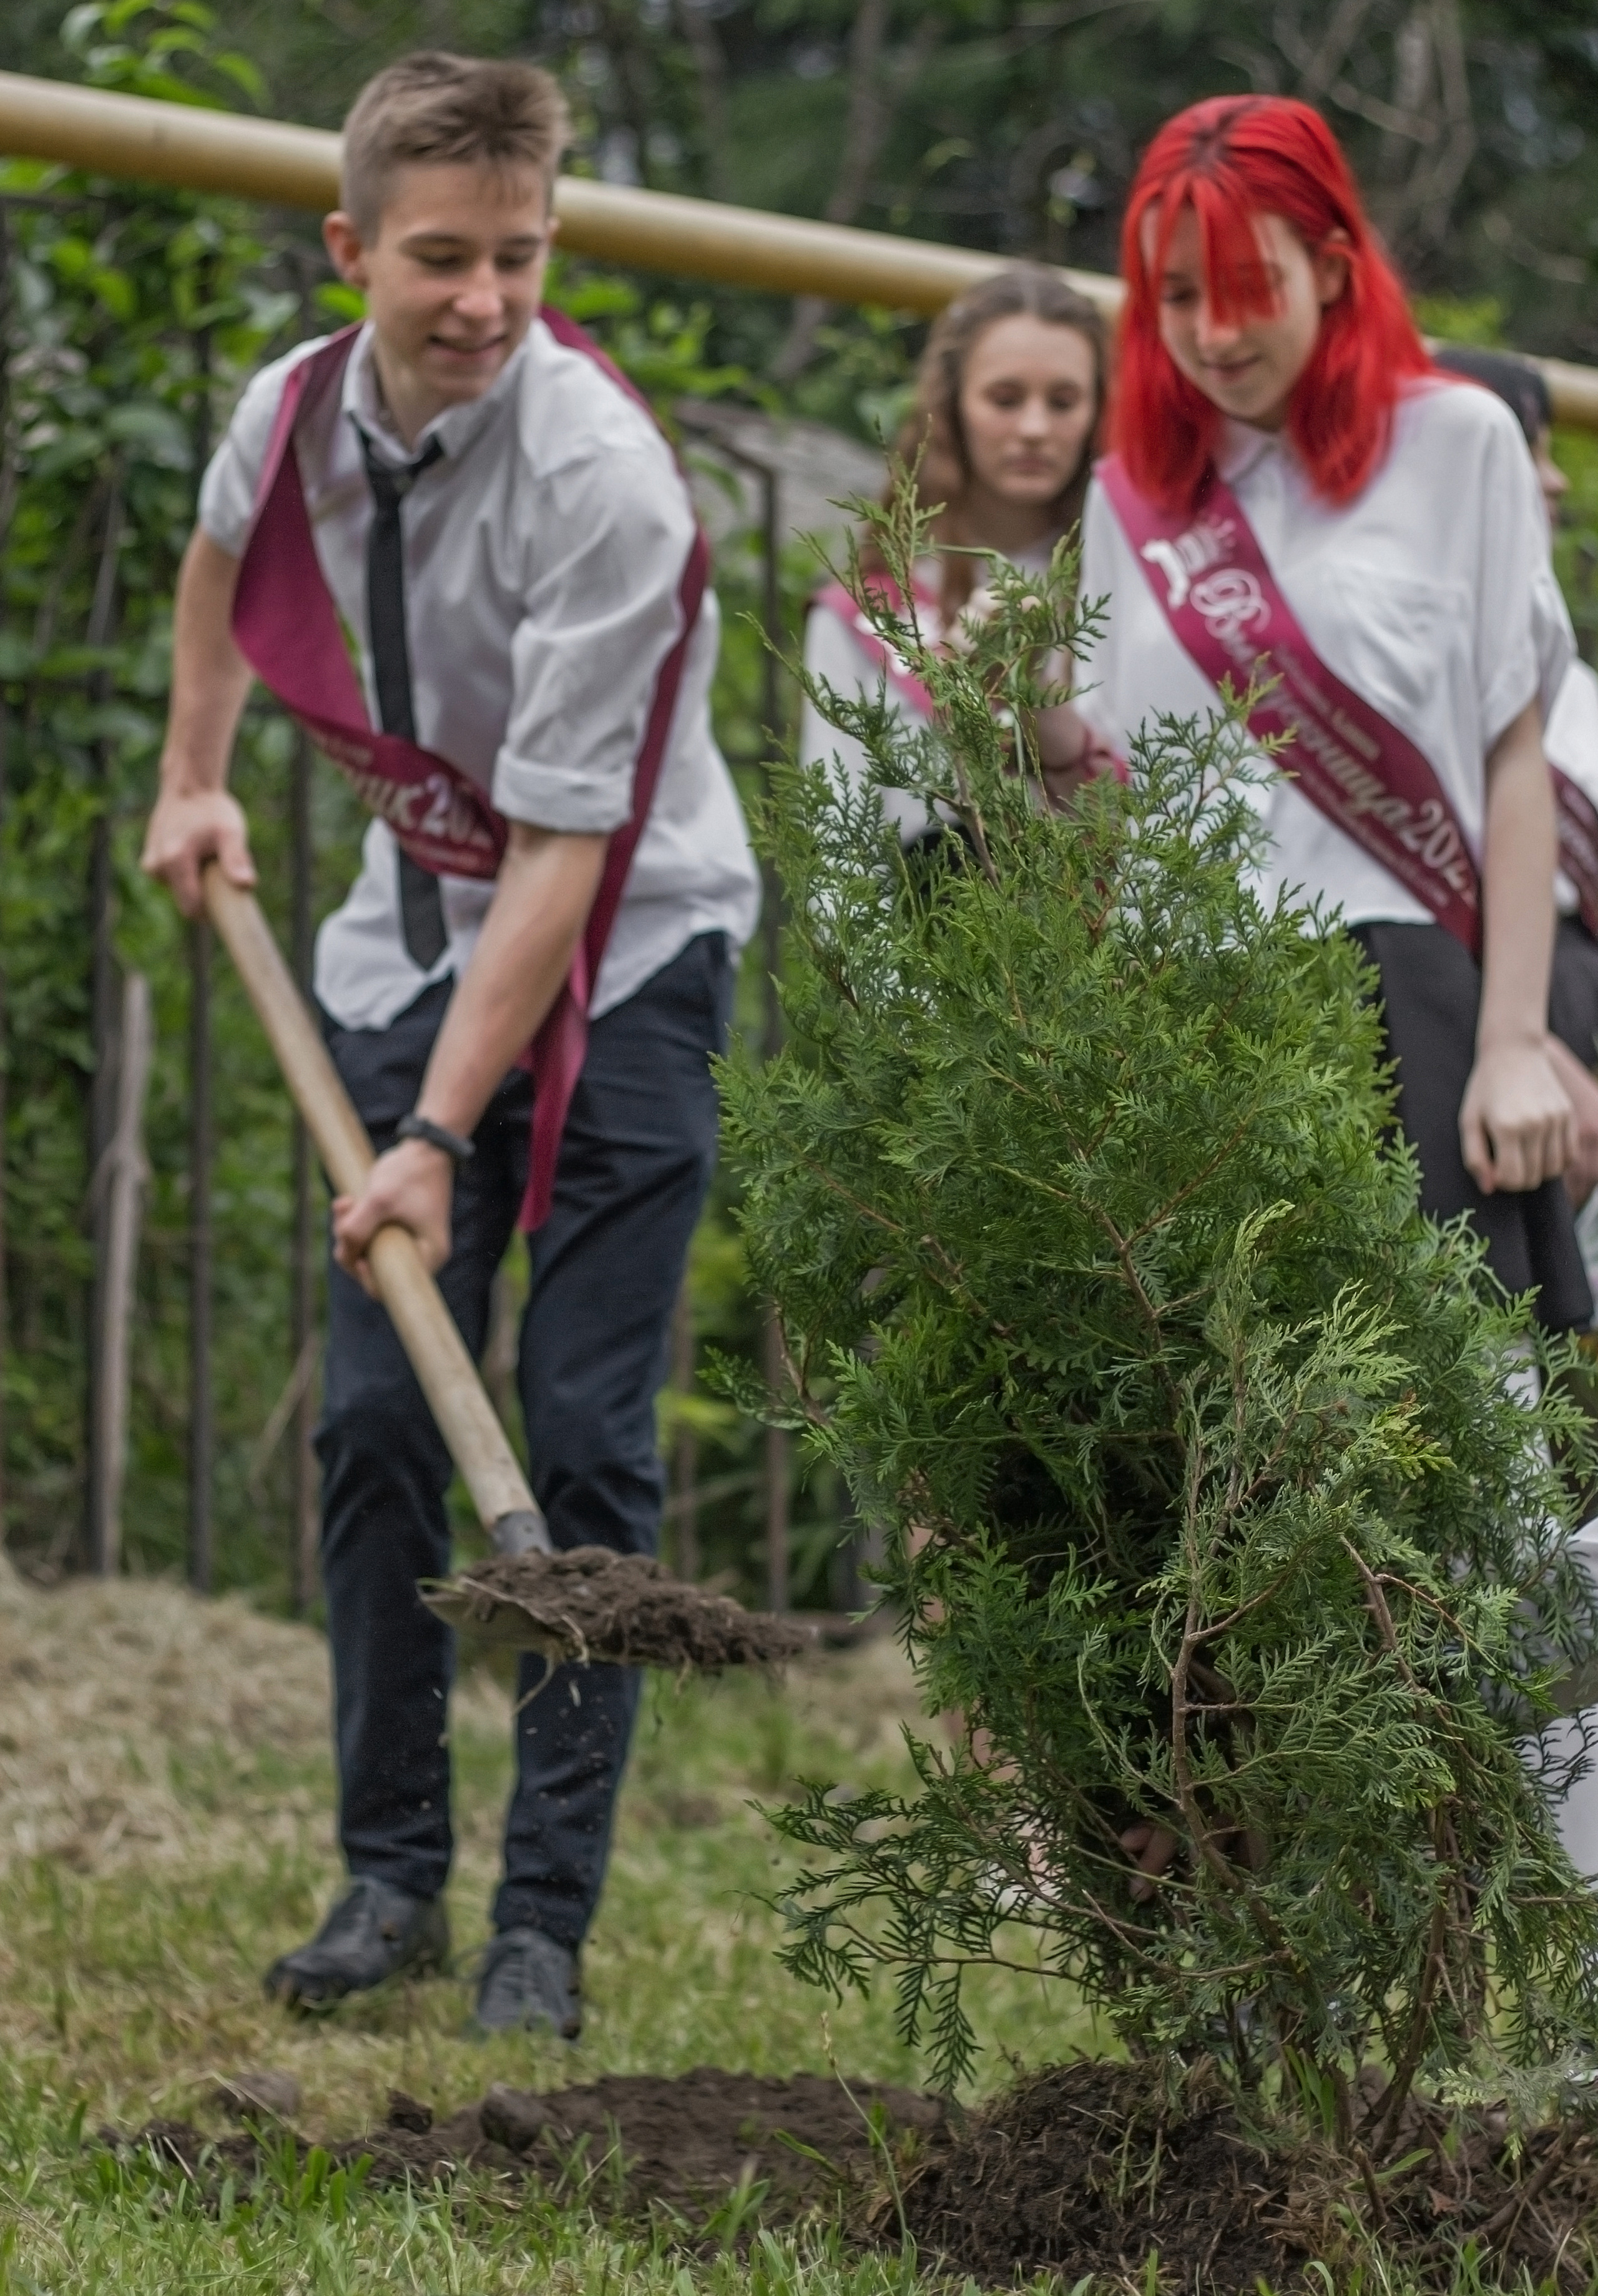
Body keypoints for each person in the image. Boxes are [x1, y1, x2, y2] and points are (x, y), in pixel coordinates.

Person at [139, 52, 759, 2035]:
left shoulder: (608, 479)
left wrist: (424, 1131)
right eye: (438, 261)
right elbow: (224, 564)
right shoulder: (289, 409)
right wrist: (193, 777)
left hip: (628, 955)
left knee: (578, 1440)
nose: (482, 300)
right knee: (378, 1427)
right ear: (352, 248)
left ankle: (538, 1927)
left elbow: (569, 858)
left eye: (517, 256)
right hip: (400, 943)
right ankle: (389, 1875)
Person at [1074, 94, 1586, 1347]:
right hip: (1182, 1007)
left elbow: (1510, 757)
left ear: (1334, 267)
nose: (1209, 332)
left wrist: (1512, 1040)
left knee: (1466, 1426)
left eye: (1247, 285)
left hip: (1399, 989)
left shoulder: (1457, 444)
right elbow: (1102, 780)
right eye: (1175, 296)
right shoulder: (1125, 498)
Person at [800, 266, 1108, 838]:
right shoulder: (864, 611)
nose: (1036, 427)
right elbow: (835, 858)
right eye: (1005, 398)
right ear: (953, 405)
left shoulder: (1131, 587)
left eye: (1063, 402)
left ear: (1098, 413)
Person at [1429, 344, 1598, 1221]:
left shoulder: (1570, 676)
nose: (1557, 481)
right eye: (1528, 450)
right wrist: (1522, 1040)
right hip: (1478, 1002)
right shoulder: (1404, 674)